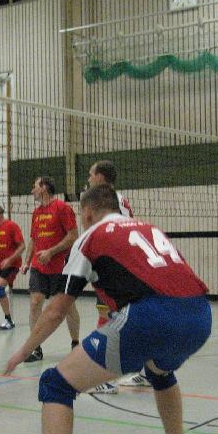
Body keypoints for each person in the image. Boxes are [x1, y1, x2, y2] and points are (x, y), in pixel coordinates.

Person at [1, 184, 211, 434]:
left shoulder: (90, 237)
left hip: (149, 316)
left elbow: (57, 309)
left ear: (86, 213)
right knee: (160, 371)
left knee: (55, 383)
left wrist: (23, 350)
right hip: (200, 315)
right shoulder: (150, 228)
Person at [86, 160, 150, 394]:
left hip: (115, 269)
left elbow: (109, 234)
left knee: (108, 320)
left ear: (100, 177)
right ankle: (147, 372)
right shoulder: (119, 199)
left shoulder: (106, 203)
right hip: (127, 267)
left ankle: (107, 378)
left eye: (91, 174)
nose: (88, 178)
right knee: (129, 321)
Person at [20, 176, 80, 362]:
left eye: (34, 187)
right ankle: (35, 348)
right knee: (35, 303)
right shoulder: (36, 212)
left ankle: (75, 344)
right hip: (39, 266)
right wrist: (27, 261)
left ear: (44, 188)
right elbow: (33, 239)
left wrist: (51, 252)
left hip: (61, 266)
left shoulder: (62, 208)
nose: (32, 191)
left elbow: (73, 236)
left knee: (67, 307)